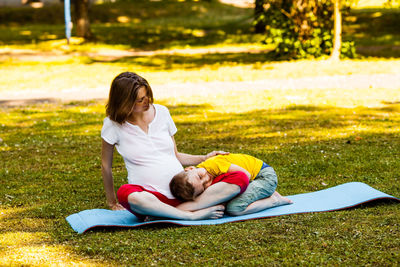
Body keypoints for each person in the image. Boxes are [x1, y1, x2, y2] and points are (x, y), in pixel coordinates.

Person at [101, 72, 248, 221]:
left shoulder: (162, 112)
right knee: (125, 192)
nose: (148, 101)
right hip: (151, 198)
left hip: (187, 193)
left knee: (240, 177)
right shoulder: (112, 125)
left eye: (148, 95)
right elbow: (106, 166)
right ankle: (188, 215)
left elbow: (176, 155)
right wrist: (112, 201)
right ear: (125, 102)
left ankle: (170, 212)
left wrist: (205, 157)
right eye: (140, 100)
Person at [170, 153, 293, 216]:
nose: (206, 180)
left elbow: (246, 175)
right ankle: (267, 195)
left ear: (190, 168)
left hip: (264, 176)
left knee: (235, 208)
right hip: (257, 178)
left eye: (200, 177)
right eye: (203, 186)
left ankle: (275, 200)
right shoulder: (204, 173)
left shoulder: (214, 164)